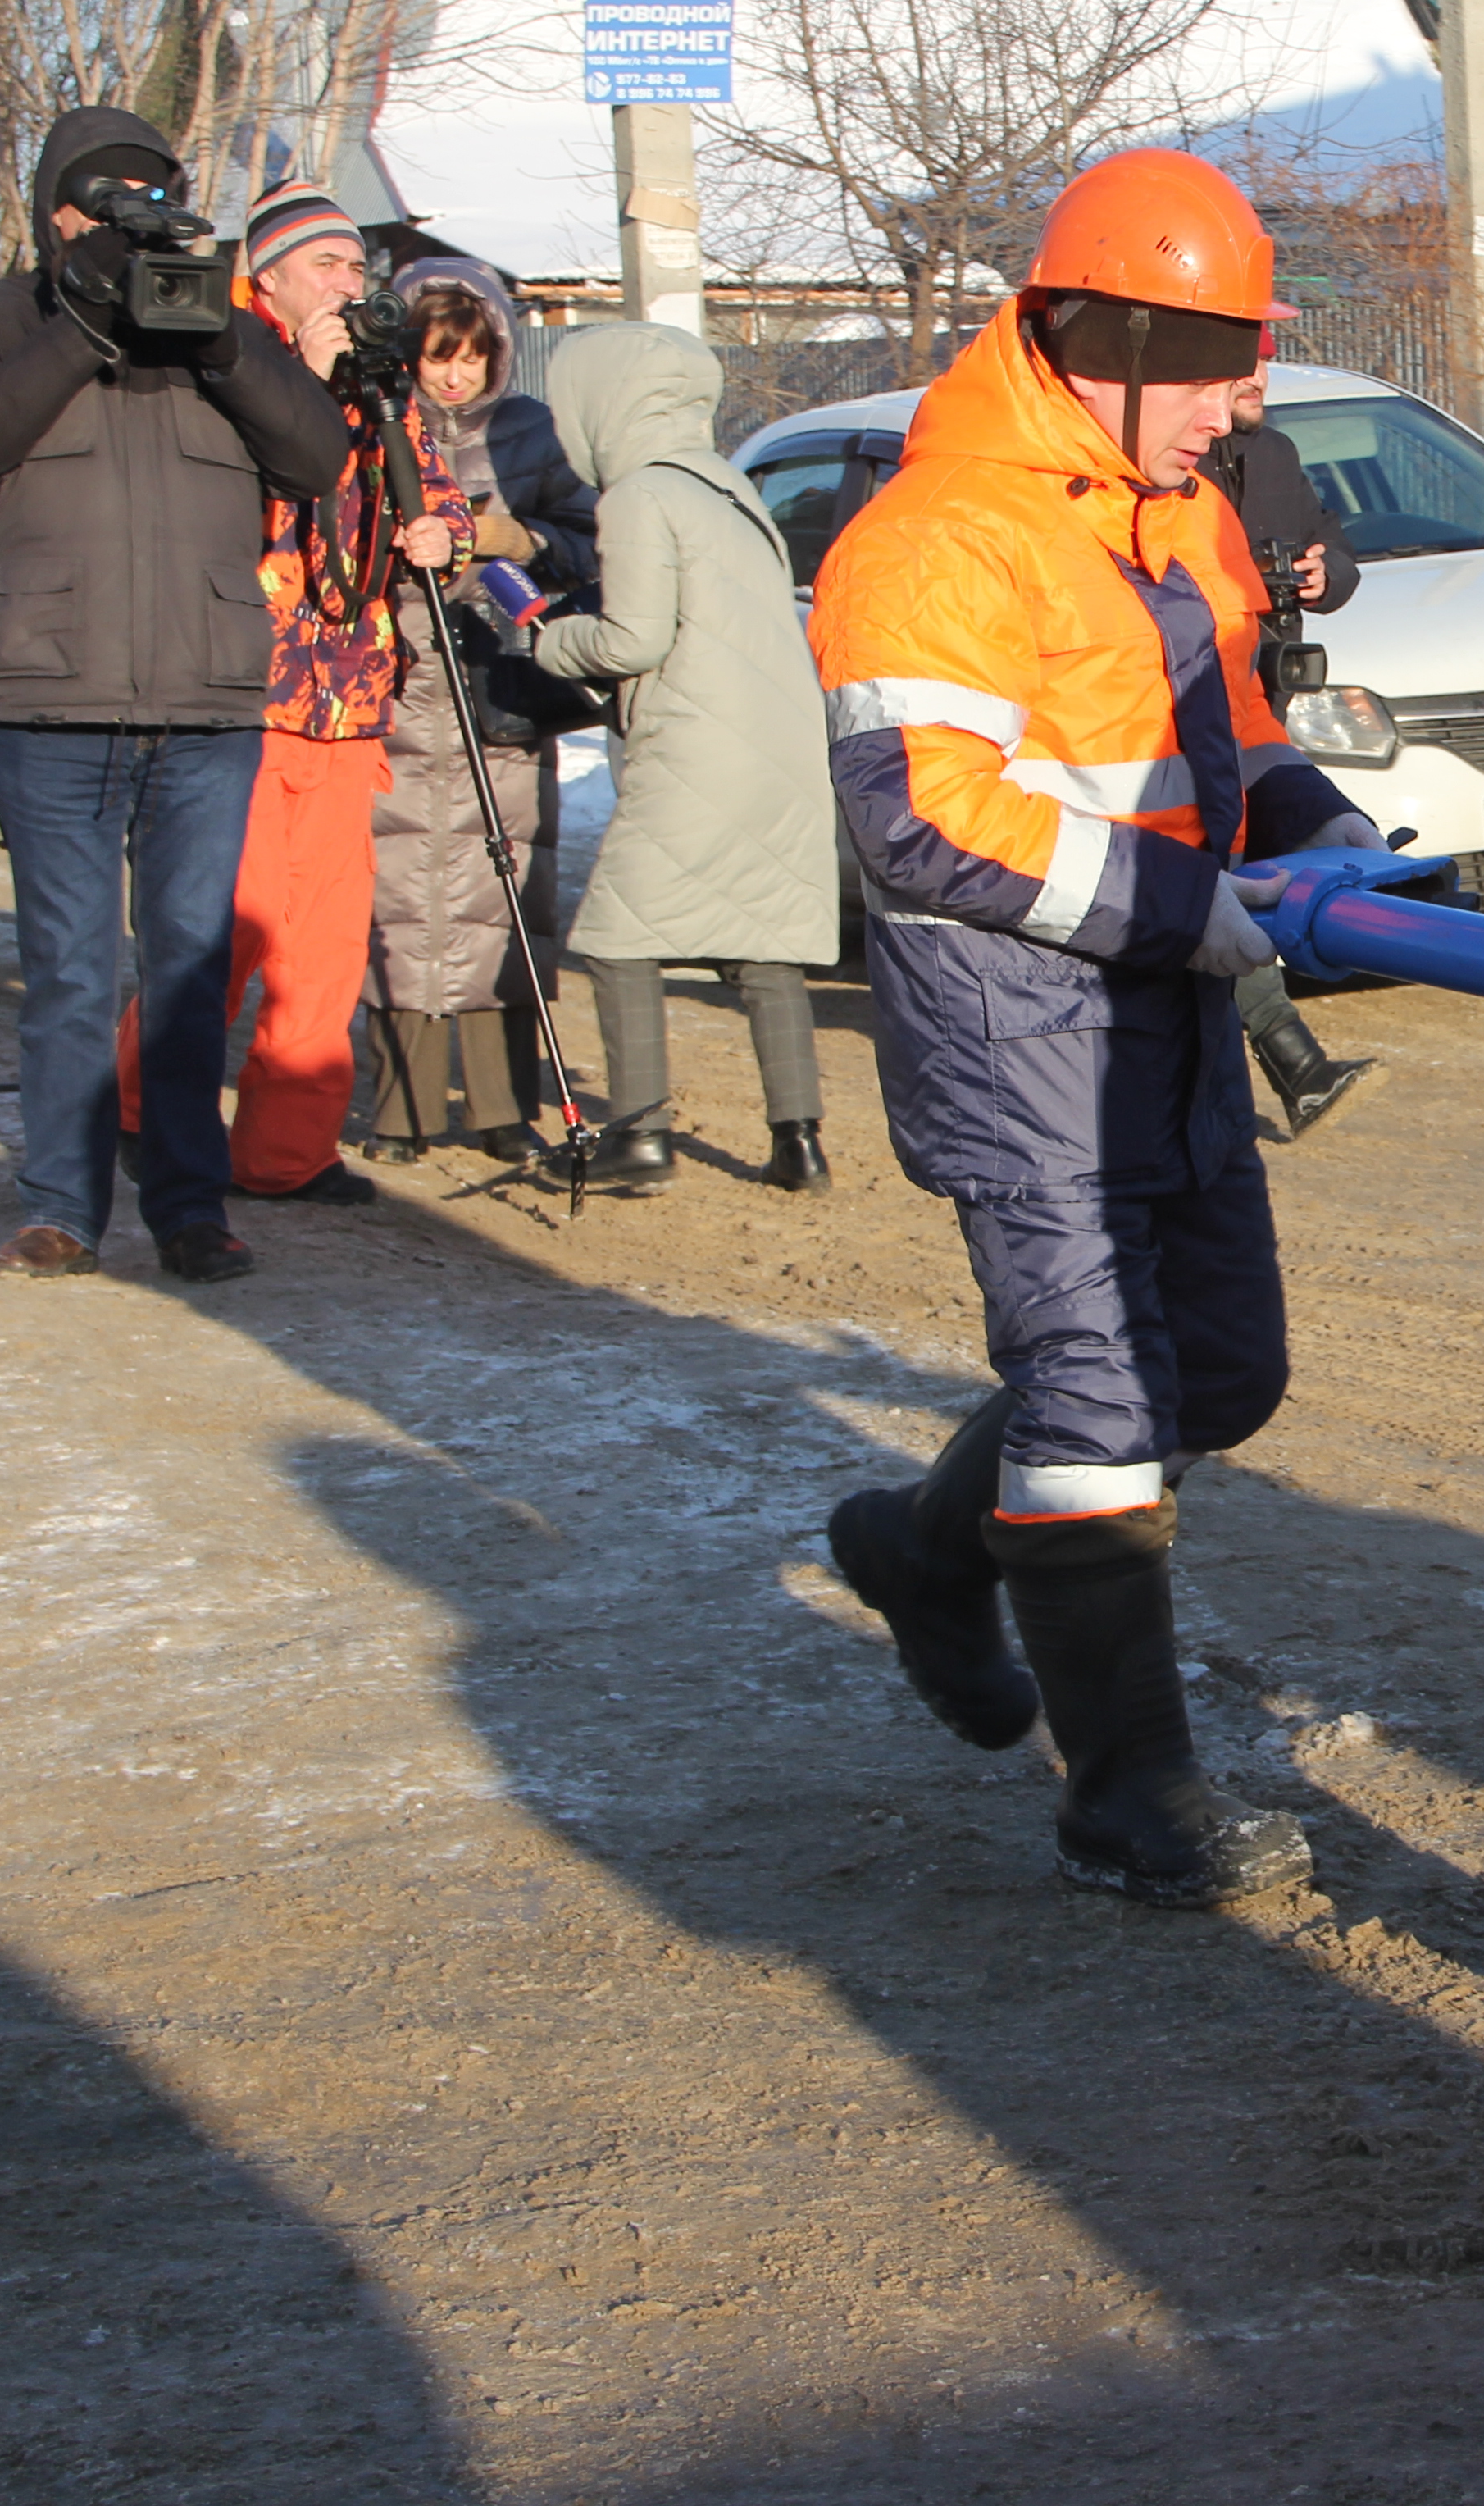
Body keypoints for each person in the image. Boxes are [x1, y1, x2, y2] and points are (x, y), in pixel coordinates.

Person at [801, 146, 1384, 1908]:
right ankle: (1127, 1797)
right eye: (1214, 366)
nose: (1245, 404)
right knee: (1103, 1392)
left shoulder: (1166, 512)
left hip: (1164, 1004)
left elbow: (1221, 738)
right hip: (1016, 1024)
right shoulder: (934, 535)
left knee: (1224, 1372)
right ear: (1104, 341)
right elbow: (917, 813)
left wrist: (1307, 826)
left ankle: (922, 1545)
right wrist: (1187, 905)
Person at [0, 107, 352, 1283]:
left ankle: (190, 1211)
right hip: (50, 699)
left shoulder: (211, 326)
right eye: (96, 200)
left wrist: (219, 344)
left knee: (190, 970)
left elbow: (318, 457)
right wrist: (83, 323)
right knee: (66, 966)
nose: (121, 217)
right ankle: (61, 1207)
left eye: (147, 194)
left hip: (206, 702)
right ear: (55, 213)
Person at [117, 186, 454, 1210]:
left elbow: (429, 489)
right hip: (240, 704)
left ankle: (285, 1154)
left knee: (323, 947)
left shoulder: (381, 385)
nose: (348, 287)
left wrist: (444, 533)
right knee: (224, 931)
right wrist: (297, 383)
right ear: (265, 279)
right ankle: (136, 1112)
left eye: (357, 268)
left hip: (349, 707)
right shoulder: (217, 364)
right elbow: (206, 503)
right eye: (326, 268)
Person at [530, 322, 840, 1195]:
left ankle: (637, 1138)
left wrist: (547, 641)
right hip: (780, 748)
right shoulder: (729, 487)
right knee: (764, 944)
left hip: (697, 748)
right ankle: (799, 1142)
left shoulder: (636, 496)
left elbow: (632, 639)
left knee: (616, 941)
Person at [358, 260, 601, 1167]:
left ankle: (505, 1106)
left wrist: (505, 538)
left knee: (502, 891)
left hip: (500, 684)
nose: (453, 375)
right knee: (400, 898)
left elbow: (584, 542)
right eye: (435, 356)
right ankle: (403, 1108)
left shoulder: (530, 432)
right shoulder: (372, 428)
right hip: (398, 681)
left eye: (471, 356)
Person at [1197, 350, 1375, 1133]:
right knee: (1211, 878)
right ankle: (1294, 1059)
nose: (1257, 377)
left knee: (1240, 878)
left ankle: (1291, 1061)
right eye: (1240, 361)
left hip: (1260, 702)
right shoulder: (1169, 462)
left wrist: (1321, 574)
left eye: (1264, 360)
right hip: (1185, 709)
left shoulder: (1274, 453)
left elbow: (1331, 541)